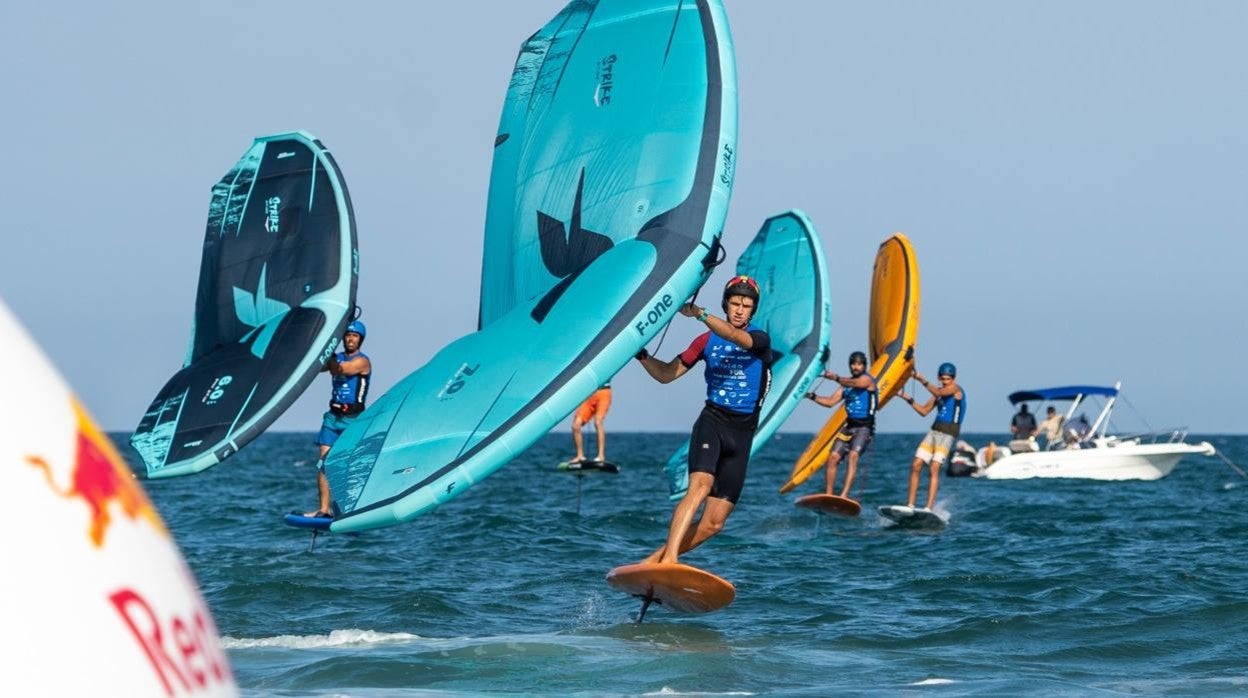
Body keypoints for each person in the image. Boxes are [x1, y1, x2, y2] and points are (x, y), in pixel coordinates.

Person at [633, 275, 773, 565]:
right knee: (699, 488)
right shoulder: (704, 341)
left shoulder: (760, 340)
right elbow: (666, 375)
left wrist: (700, 313)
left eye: (746, 305)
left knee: (713, 523)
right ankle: (671, 559)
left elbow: (735, 337)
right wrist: (641, 355)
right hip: (713, 423)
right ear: (726, 304)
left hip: (743, 434)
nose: (739, 310)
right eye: (734, 303)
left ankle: (654, 562)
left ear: (752, 310)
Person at [305, 320, 371, 517]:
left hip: (353, 420)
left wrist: (330, 353)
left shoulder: (362, 361)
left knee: (349, 465)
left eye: (355, 336)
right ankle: (324, 509)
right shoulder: (337, 357)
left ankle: (351, 509)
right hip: (332, 419)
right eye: (348, 335)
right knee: (323, 464)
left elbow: (341, 370)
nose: (350, 339)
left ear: (360, 340)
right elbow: (318, 366)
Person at [804, 350, 877, 499]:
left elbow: (857, 383)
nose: (855, 367)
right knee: (833, 458)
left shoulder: (868, 380)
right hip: (848, 427)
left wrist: (835, 377)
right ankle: (829, 494)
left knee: (853, 455)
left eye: (859, 364)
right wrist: (810, 396)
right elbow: (830, 402)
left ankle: (844, 495)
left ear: (864, 366)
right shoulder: (846, 386)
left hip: (864, 428)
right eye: (853, 364)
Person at [897, 362, 966, 510]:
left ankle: (928, 507)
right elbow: (923, 411)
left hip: (948, 433)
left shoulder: (956, 389)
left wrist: (921, 379)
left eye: (948, 379)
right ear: (939, 378)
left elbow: (940, 393)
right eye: (943, 379)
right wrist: (906, 397)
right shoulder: (938, 393)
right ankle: (910, 505)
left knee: (934, 467)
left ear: (953, 378)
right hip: (934, 431)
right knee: (916, 464)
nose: (946, 382)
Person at [571, 382, 612, 463]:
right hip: (589, 394)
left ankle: (601, 456)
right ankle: (580, 456)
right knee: (576, 425)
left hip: (604, 391)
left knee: (598, 422)